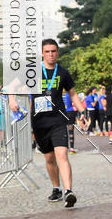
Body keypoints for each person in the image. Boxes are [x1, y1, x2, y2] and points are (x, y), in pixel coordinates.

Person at [30, 39, 86, 208]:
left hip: (58, 120)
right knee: (49, 158)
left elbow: (73, 94)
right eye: (47, 51)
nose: (51, 54)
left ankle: (69, 191)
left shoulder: (63, 72)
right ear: (42, 53)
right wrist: (12, 101)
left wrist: (82, 111)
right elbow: (13, 86)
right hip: (39, 122)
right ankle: (56, 188)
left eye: (53, 51)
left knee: (62, 154)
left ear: (57, 52)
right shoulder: (32, 71)